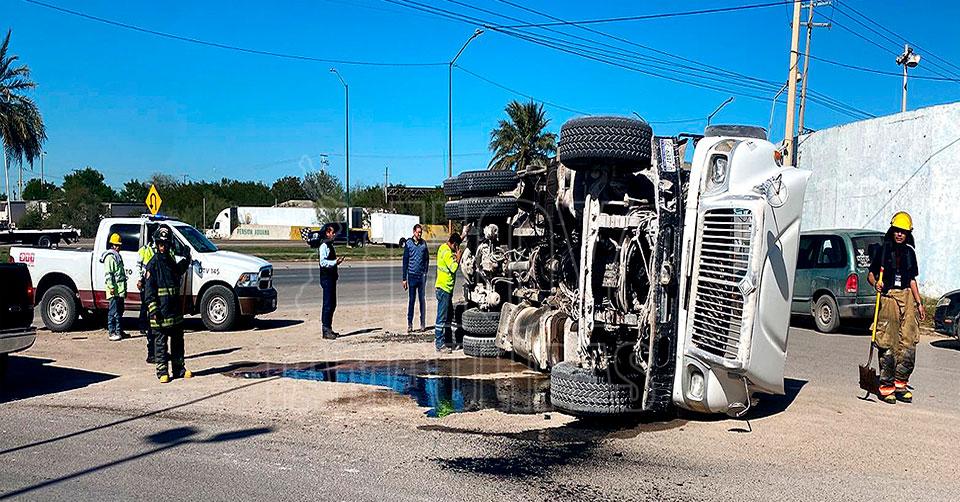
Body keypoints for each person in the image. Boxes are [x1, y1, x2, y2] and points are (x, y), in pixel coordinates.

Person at [867, 211, 924, 404]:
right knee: (888, 342)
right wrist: (876, 284)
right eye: (897, 230)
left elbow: (912, 279)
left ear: (908, 234)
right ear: (892, 231)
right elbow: (871, 275)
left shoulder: (910, 253)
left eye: (903, 232)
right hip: (889, 297)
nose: (900, 234)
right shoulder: (882, 250)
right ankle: (886, 387)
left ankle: (900, 383)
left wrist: (919, 303)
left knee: (908, 341)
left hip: (907, 297)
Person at [143, 226, 193, 383]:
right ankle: (162, 371)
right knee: (160, 343)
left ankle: (179, 369)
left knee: (178, 341)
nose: (163, 247)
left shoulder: (170, 261)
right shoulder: (152, 265)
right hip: (160, 312)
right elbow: (149, 291)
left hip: (174, 311)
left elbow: (178, 271)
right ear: (156, 244)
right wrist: (153, 309)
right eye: (160, 244)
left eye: (165, 244)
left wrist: (186, 259)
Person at [434, 232, 463, 354]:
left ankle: (447, 341)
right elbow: (453, 268)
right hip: (444, 289)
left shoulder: (443, 248)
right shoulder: (447, 253)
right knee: (441, 318)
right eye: (457, 246)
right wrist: (458, 257)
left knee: (448, 316)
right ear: (454, 244)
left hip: (445, 289)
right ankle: (439, 344)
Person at [318, 224, 345, 340]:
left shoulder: (330, 245)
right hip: (326, 278)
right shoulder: (323, 246)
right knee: (328, 304)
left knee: (333, 303)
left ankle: (329, 328)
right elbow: (323, 262)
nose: (334, 235)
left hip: (332, 278)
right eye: (332, 232)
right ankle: (325, 330)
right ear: (327, 233)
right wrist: (335, 262)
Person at [401, 223, 430, 333]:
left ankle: (422, 323)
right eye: (418, 232)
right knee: (412, 301)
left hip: (421, 277)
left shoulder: (423, 244)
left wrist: (425, 272)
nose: (419, 234)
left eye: (420, 233)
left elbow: (426, 259)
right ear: (414, 232)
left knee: (422, 300)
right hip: (412, 276)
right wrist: (404, 278)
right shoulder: (409, 244)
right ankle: (410, 323)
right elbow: (405, 261)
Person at [101, 233, 128, 342]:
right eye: (116, 245)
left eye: (119, 245)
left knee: (120, 311)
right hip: (114, 290)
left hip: (120, 289)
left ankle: (119, 330)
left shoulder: (117, 256)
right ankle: (112, 332)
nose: (118, 247)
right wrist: (111, 287)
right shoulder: (110, 257)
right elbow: (109, 274)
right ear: (112, 245)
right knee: (113, 312)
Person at [137, 236, 157, 363]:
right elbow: (139, 266)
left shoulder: (160, 253)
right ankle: (151, 353)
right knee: (146, 310)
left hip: (154, 287)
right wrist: (140, 280)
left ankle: (158, 351)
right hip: (147, 284)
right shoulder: (145, 250)